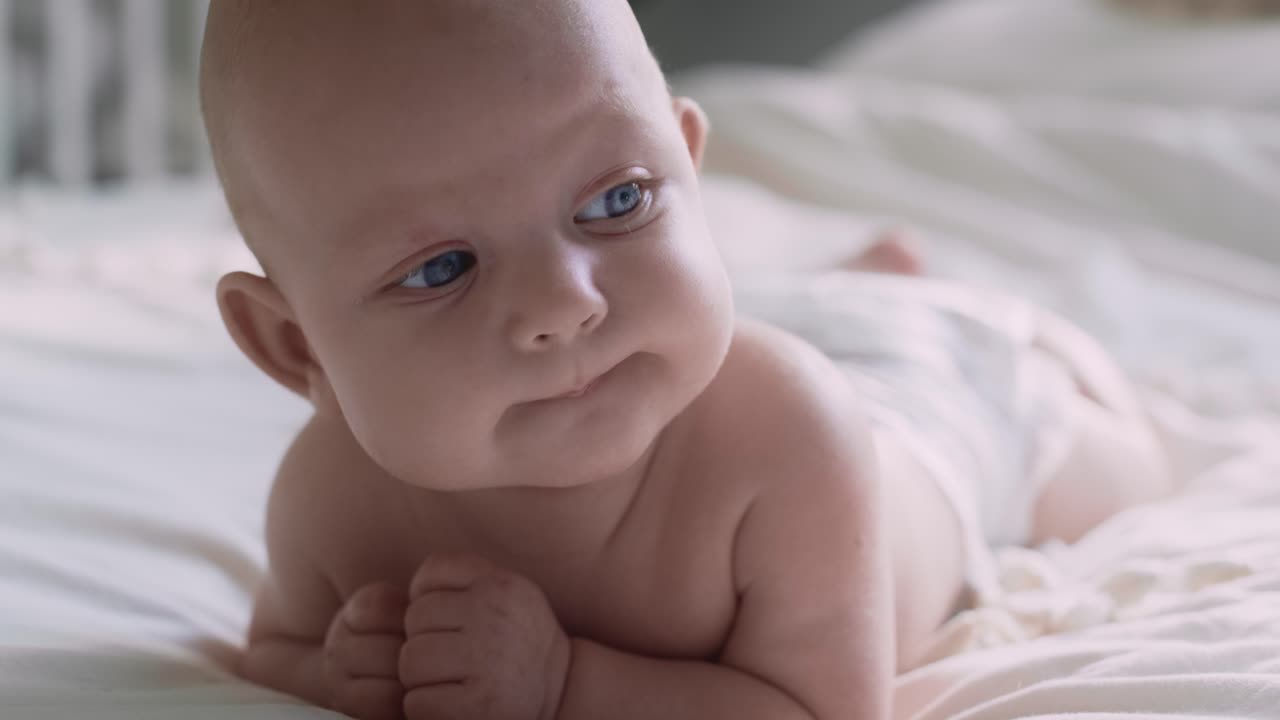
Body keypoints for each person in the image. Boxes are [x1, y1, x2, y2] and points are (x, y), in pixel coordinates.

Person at [199, 2, 1172, 718]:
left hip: (939, 425)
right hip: (741, 342)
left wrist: (564, 685)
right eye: (441, 268)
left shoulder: (790, 441)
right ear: (295, 349)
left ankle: (965, 322)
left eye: (617, 202)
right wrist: (331, 671)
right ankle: (861, 283)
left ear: (687, 168)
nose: (562, 304)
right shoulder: (332, 500)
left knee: (1127, 471)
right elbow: (273, 652)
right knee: (733, 319)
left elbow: (815, 710)